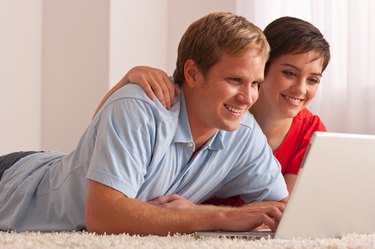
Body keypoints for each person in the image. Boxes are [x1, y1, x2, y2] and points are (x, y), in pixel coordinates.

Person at [0, 12, 288, 235]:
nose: (248, 97)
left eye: (256, 83)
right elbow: (103, 216)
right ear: (192, 73)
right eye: (235, 80)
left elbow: (286, 211)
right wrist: (220, 216)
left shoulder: (244, 132)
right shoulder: (139, 107)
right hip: (14, 183)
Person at [96, 16, 330, 199]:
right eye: (289, 73)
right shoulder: (207, 106)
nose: (300, 89)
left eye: (313, 80)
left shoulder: (297, 132)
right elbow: (102, 135)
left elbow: (284, 213)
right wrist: (128, 79)